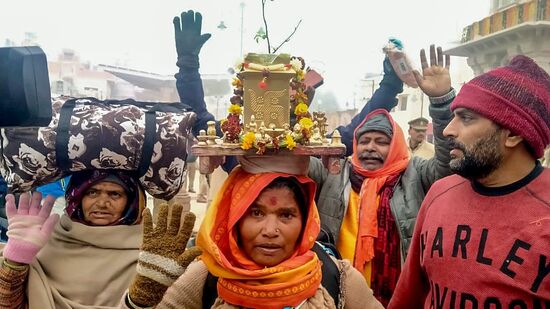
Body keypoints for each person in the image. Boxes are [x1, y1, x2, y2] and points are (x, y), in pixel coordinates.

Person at [388, 55, 550, 307]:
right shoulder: (439, 193)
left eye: (466, 118)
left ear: (514, 133)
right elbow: (408, 297)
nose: (447, 130)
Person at [308, 45, 454, 306]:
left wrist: (442, 102)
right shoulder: (334, 170)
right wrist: (294, 101)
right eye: (364, 140)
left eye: (380, 141)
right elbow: (295, 159)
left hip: (397, 296)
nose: (370, 147)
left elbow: (448, 164)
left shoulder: (415, 173)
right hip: (333, 292)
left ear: (396, 144)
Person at [124, 164, 384, 308]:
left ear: (306, 222)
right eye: (256, 213)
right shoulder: (206, 275)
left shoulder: (337, 278)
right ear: (234, 218)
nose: (270, 230)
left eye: (286, 215)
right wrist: (143, 295)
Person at [0, 170, 195, 308]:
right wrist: (15, 262)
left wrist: (140, 301)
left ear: (132, 202)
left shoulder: (152, 253)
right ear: (76, 197)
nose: (102, 203)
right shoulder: (43, 244)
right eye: (92, 192)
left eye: (115, 194)